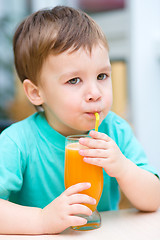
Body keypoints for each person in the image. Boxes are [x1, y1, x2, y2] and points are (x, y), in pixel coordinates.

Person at [0, 6, 160, 235]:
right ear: (36, 93)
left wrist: (123, 169)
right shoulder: (17, 143)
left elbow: (153, 200)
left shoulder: (115, 131)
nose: (95, 92)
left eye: (102, 76)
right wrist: (42, 220)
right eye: (74, 80)